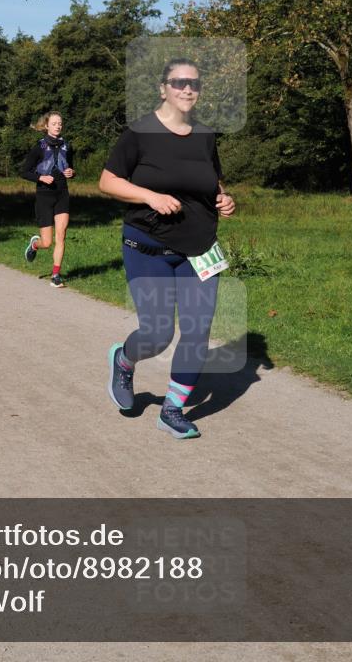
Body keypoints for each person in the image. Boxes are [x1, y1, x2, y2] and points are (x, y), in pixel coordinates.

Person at [99, 58, 235, 439]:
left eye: (194, 83)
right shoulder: (140, 133)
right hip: (147, 246)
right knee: (158, 334)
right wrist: (149, 196)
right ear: (163, 89)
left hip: (200, 249)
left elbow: (213, 184)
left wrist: (225, 200)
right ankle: (125, 360)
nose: (187, 89)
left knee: (197, 330)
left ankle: (172, 410)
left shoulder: (206, 136)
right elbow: (108, 182)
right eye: (179, 82)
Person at [20, 111, 75, 288]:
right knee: (47, 242)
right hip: (44, 195)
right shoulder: (39, 147)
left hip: (62, 194)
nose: (58, 125)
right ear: (46, 126)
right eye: (54, 123)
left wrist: (71, 173)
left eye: (60, 123)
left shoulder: (67, 145)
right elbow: (24, 171)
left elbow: (71, 168)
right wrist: (41, 178)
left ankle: (56, 275)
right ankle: (35, 245)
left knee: (61, 236)